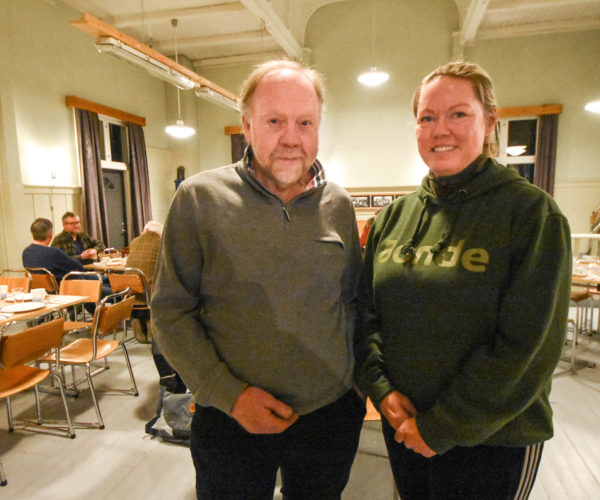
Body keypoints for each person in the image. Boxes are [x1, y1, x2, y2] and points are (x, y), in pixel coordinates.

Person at [355, 61, 571, 500]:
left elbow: (526, 348)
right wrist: (382, 391)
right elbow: (367, 314)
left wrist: (441, 427)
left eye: (458, 114)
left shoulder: (531, 215)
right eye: (427, 118)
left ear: (490, 121)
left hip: (492, 438)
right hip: (407, 429)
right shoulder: (394, 219)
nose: (440, 130)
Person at [151, 59, 365, 499]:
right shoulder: (198, 198)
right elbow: (171, 313)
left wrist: (357, 387)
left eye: (305, 122)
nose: (291, 137)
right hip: (230, 418)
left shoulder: (338, 204)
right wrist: (229, 395)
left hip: (328, 416)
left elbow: (352, 302)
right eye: (274, 121)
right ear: (246, 126)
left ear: (319, 127)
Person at [22, 218, 87, 283]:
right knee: (93, 277)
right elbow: (78, 266)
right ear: (50, 234)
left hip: (38, 289)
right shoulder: (53, 253)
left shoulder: (26, 252)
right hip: (61, 288)